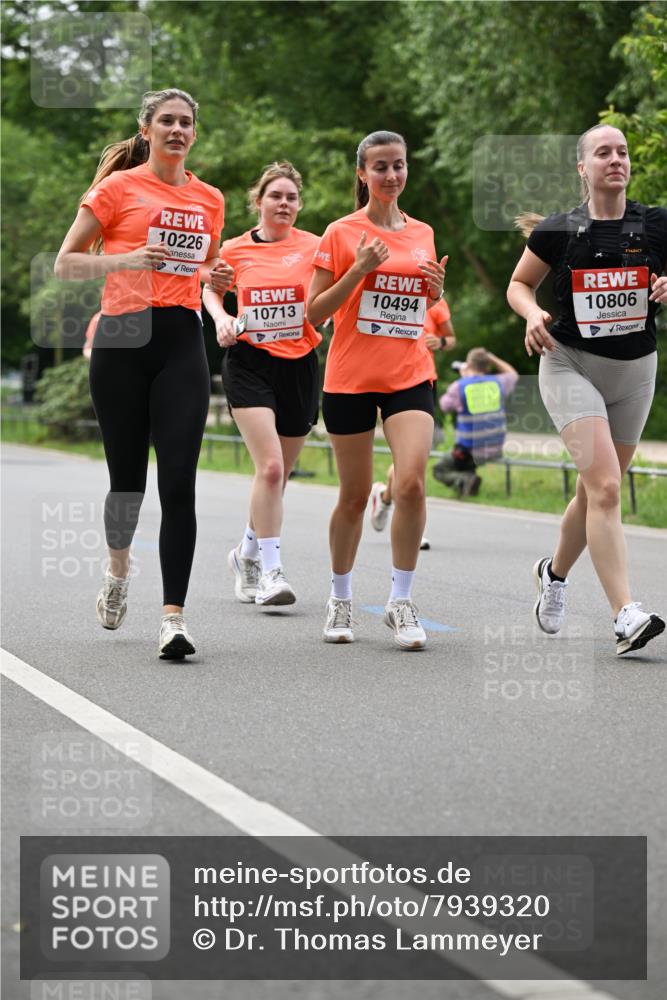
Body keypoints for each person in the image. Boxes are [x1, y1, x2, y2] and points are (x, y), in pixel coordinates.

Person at [54, 88, 233, 659]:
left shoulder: (209, 197)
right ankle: (117, 569)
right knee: (127, 482)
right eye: (167, 121)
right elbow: (65, 263)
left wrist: (217, 277)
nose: (177, 130)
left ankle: (173, 618)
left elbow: (206, 264)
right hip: (122, 338)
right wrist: (125, 260)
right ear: (147, 130)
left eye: (186, 122)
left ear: (194, 134)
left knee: (178, 480)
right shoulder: (116, 189)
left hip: (181, 339)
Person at [507, 123, 666, 655]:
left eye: (622, 152)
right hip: (569, 364)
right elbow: (519, 284)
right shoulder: (560, 229)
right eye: (603, 153)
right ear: (583, 167)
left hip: (635, 373)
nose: (616, 159)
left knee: (594, 490)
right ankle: (625, 614)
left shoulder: (657, 224)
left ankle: (553, 575)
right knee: (607, 488)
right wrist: (532, 313)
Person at [307, 130, 447, 649]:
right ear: (362, 174)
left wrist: (434, 293)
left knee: (411, 484)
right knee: (351, 495)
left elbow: (417, 303)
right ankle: (340, 596)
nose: (391, 175)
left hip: (409, 373)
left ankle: (400, 601)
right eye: (381, 167)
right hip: (351, 378)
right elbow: (314, 312)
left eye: (399, 165)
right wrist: (359, 270)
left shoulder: (423, 232)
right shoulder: (341, 233)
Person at [202, 162, 321, 607]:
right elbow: (210, 288)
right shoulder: (234, 249)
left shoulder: (315, 246)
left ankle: (246, 552)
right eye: (276, 196)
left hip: (300, 364)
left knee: (280, 475)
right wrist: (221, 318)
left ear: (299, 205)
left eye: (292, 197)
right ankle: (271, 571)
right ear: (258, 202)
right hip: (250, 362)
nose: (284, 203)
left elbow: (337, 290)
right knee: (269, 468)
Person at [369, 296, 456, 548]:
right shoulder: (382, 289)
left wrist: (440, 342)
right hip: (382, 376)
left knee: (413, 460)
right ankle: (388, 500)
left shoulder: (435, 297)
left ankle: (386, 498)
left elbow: (451, 338)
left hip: (421, 380)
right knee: (405, 458)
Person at [432, 347, 518, 496]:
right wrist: (492, 357)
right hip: (495, 448)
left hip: (470, 452)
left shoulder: (460, 386)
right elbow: (513, 375)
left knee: (439, 470)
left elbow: (444, 406)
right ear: (487, 365)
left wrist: (463, 378)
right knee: (464, 462)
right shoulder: (498, 382)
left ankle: (465, 480)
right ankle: (469, 484)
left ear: (469, 365)